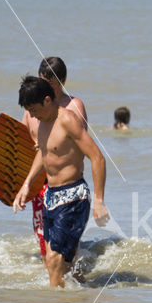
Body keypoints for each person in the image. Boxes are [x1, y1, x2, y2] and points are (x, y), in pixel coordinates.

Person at [0, 56, 87, 267]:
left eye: (51, 83)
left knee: (67, 248)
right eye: (43, 81)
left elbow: (78, 145)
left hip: (65, 182)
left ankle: (72, 280)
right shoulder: (32, 110)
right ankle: (56, 284)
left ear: (62, 80)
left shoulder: (73, 106)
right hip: (38, 182)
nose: (46, 87)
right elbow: (17, 141)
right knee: (44, 237)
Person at [13, 76, 109, 287]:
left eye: (33, 109)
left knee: (54, 262)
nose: (31, 115)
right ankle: (80, 301)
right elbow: (44, 153)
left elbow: (97, 157)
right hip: (51, 198)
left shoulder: (67, 120)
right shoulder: (43, 123)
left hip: (73, 197)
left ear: (47, 100)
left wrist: (99, 200)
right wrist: (27, 182)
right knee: (57, 265)